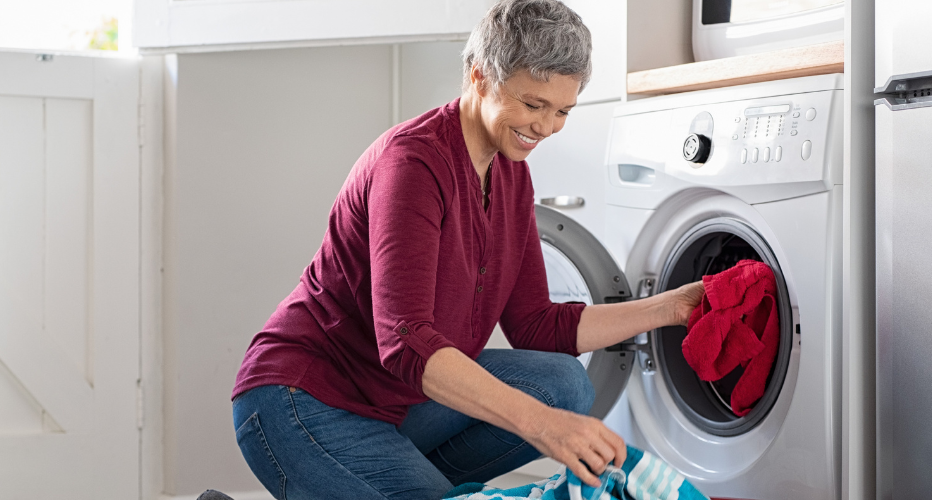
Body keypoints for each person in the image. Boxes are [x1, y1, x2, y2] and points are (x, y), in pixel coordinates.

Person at [229, 1, 703, 498]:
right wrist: (544, 426)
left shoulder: (511, 174)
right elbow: (407, 342)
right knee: (526, 426)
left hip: (398, 404)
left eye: (562, 110)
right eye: (532, 104)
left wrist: (673, 307)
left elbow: (537, 325)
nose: (545, 127)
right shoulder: (412, 165)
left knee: (565, 385)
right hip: (305, 400)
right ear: (479, 78)